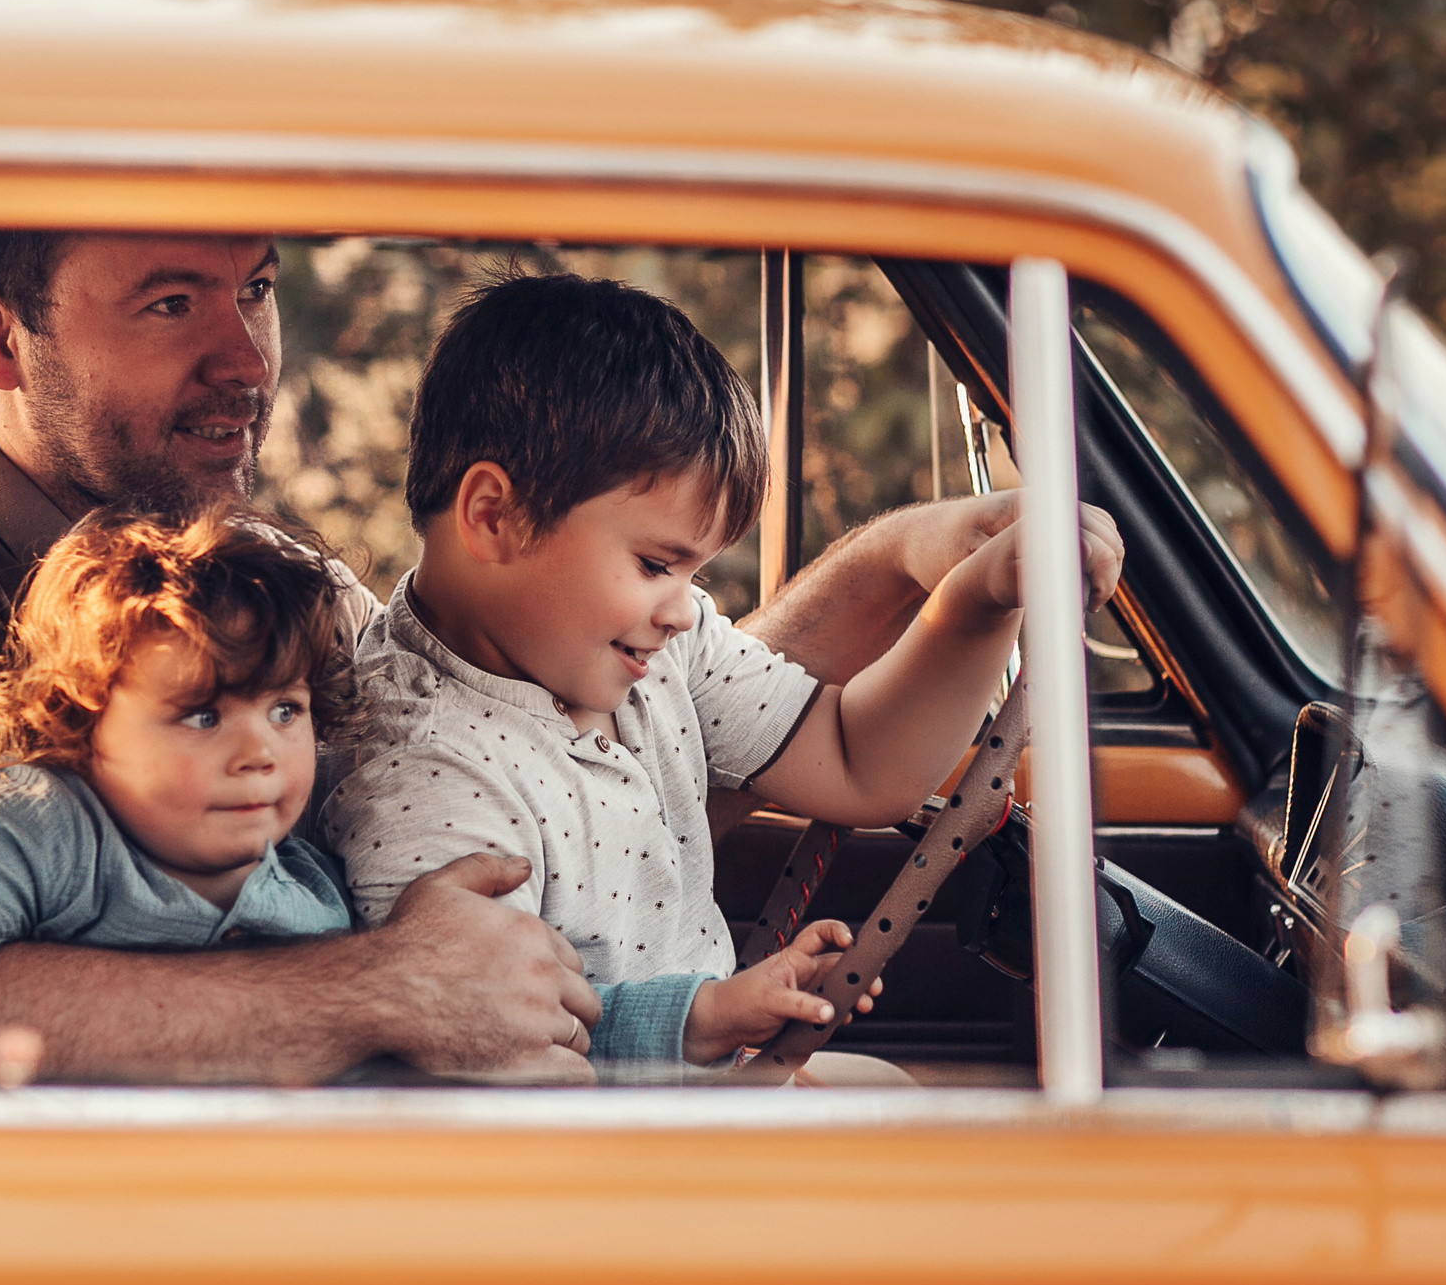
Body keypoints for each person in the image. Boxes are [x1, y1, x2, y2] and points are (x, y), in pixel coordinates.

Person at [0, 228, 1081, 1083]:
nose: (250, 360)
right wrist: (385, 988)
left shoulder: (247, 558)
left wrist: (920, 576)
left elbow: (580, 705)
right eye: (170, 303)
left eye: (255, 288)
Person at [319, 273, 1123, 1079]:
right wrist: (702, 1023)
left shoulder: (650, 644)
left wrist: (975, 601)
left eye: (691, 570)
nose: (681, 606)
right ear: (494, 517)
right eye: (655, 563)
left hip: (702, 1086)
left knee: (902, 1102)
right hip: (614, 1164)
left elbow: (854, 762)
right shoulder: (424, 779)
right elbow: (504, 1071)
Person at [0, 508, 358, 995]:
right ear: (81, 721)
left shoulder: (318, 886)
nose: (258, 753)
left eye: (285, 712)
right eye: (203, 716)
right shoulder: (45, 831)